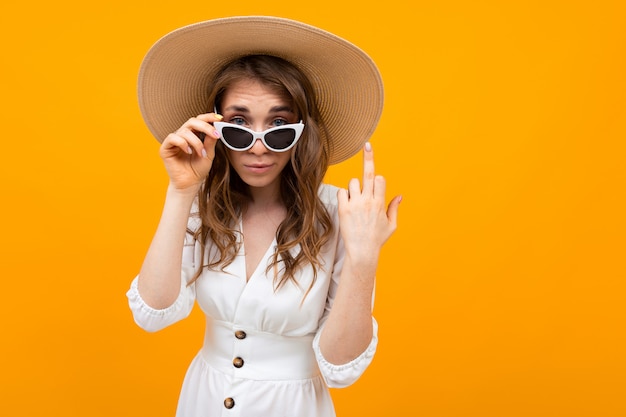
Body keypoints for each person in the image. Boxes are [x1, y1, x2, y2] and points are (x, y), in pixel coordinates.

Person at [126, 16, 401, 417]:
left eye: (278, 125)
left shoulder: (342, 215)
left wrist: (364, 258)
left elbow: (341, 368)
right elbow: (152, 312)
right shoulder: (202, 204)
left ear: (301, 132)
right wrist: (181, 191)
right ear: (213, 127)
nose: (258, 147)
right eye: (238, 125)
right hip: (202, 401)